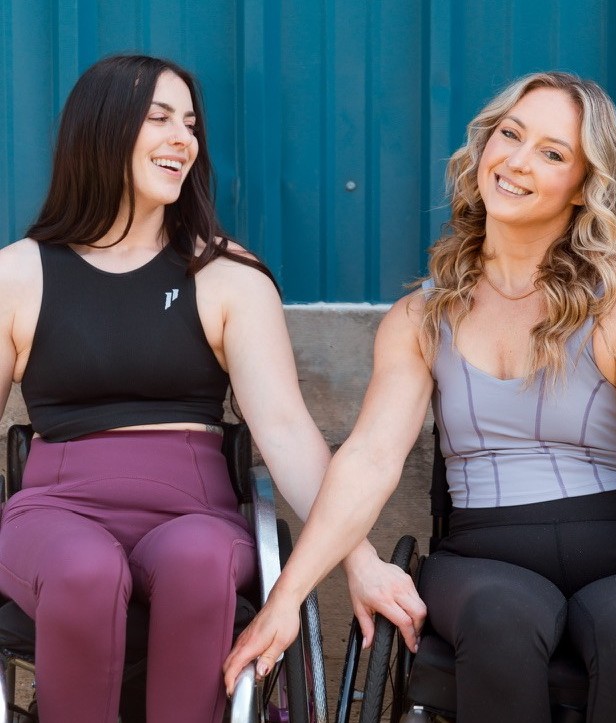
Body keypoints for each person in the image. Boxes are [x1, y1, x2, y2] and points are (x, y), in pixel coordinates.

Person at [224, 71, 616, 722]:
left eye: (551, 152)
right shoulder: (420, 318)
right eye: (509, 135)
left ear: (583, 185)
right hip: (486, 551)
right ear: (482, 147)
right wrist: (287, 596)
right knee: (498, 620)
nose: (516, 161)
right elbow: (370, 459)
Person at [0, 54, 420, 723]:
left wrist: (357, 557)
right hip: (57, 510)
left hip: (193, 511)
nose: (183, 139)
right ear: (101, 129)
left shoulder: (226, 274)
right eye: (159, 118)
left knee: (198, 560)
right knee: (84, 570)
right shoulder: (18, 276)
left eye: (190, 124)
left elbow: (284, 431)